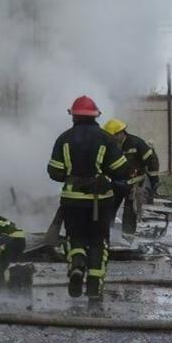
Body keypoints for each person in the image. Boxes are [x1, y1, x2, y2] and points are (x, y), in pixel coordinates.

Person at [47, 95, 130, 300]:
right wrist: (104, 179)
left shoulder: (63, 139)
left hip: (71, 199)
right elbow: (122, 170)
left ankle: (77, 264)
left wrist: (71, 176)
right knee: (98, 241)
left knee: (75, 237)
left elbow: (54, 172)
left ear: (73, 116)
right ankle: (94, 287)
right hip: (100, 201)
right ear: (96, 116)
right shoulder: (106, 139)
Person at [102, 118, 161, 235]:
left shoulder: (136, 143)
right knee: (109, 208)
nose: (110, 138)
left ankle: (127, 235)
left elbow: (151, 161)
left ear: (120, 133)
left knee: (130, 210)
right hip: (115, 183)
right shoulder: (109, 145)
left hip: (134, 183)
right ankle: (107, 234)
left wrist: (154, 181)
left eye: (112, 135)